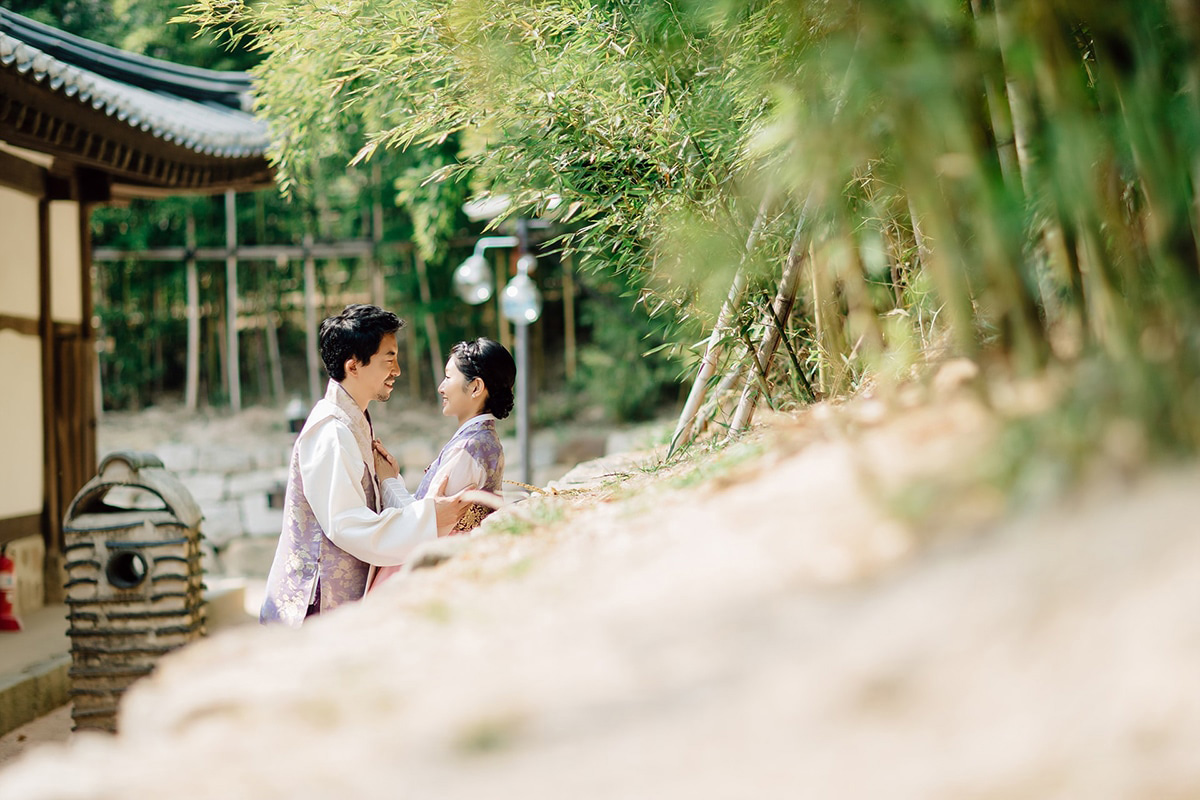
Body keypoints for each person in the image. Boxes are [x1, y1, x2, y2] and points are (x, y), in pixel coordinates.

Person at [260, 304, 474, 627]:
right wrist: (429, 518)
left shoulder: (352, 420)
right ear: (354, 366)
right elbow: (349, 524)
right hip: (312, 608)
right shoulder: (331, 431)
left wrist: (389, 485)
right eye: (389, 359)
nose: (398, 370)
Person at [371, 337, 516, 589]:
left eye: (449, 377)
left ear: (475, 387)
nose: (440, 387)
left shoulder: (468, 448)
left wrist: (388, 482)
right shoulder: (482, 440)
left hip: (435, 568)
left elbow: (424, 522)